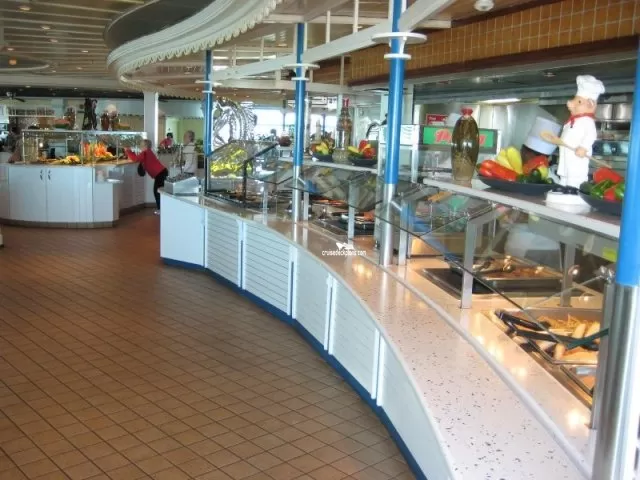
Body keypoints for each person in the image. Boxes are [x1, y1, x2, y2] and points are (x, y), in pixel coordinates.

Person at [557, 75, 605, 188]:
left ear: (590, 104)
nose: (571, 103)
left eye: (578, 101)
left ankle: (573, 187)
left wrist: (584, 147)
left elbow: (591, 135)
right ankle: (563, 183)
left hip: (577, 153)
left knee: (575, 170)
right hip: (566, 151)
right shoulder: (572, 120)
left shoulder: (587, 121)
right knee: (565, 168)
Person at [125, 140, 168, 215]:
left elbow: (135, 159)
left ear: (146, 146)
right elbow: (138, 158)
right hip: (161, 173)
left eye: (141, 145)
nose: (140, 146)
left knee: (157, 192)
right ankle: (162, 209)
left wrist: (128, 151)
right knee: (158, 191)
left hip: (160, 174)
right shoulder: (148, 152)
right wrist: (131, 152)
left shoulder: (145, 152)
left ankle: (161, 210)